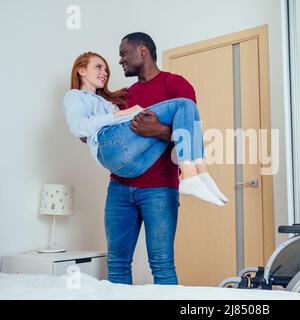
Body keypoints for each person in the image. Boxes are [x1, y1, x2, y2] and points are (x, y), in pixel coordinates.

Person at [68, 33, 224, 285]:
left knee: (161, 264)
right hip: (120, 187)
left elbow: (190, 130)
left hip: (160, 187)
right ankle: (198, 175)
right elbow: (97, 131)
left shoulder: (175, 84)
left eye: (123, 53)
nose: (119, 61)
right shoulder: (125, 96)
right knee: (117, 263)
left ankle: (196, 175)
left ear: (142, 52)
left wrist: (158, 130)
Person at [64, 52, 226, 206]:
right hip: (108, 148)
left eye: (106, 69)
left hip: (132, 166)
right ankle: (191, 174)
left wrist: (128, 114)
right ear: (82, 70)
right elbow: (78, 127)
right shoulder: (75, 96)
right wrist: (122, 114)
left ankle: (200, 172)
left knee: (187, 112)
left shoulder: (109, 101)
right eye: (98, 67)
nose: (104, 73)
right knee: (184, 104)